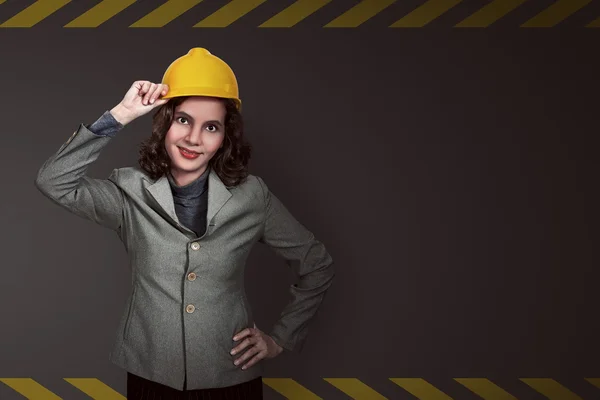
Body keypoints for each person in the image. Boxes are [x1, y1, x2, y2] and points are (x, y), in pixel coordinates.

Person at [34, 48, 335, 399]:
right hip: (151, 376)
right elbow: (54, 181)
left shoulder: (252, 196)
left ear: (225, 137)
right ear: (164, 123)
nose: (194, 138)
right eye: (183, 120)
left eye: (211, 127)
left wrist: (281, 338)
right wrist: (119, 115)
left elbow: (317, 264)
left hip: (231, 376)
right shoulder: (129, 192)